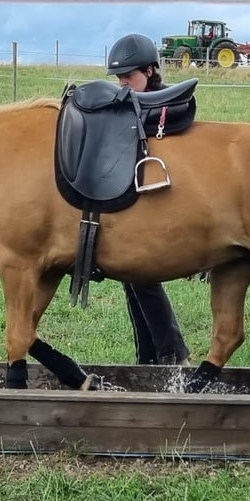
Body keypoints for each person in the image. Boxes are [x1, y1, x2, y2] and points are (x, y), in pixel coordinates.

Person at [105, 33, 191, 366]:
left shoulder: (164, 106)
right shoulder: (135, 104)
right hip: (141, 201)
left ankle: (172, 353)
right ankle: (149, 358)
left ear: (151, 71)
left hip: (160, 202)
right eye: (119, 79)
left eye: (129, 77)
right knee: (132, 280)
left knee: (139, 276)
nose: (123, 84)